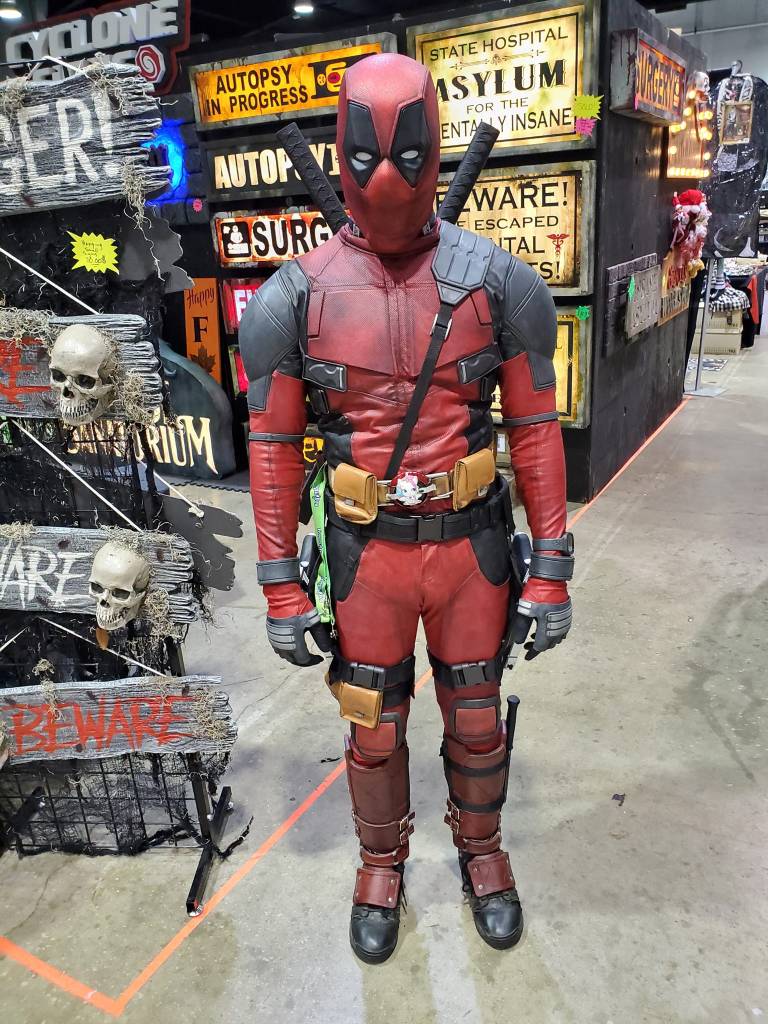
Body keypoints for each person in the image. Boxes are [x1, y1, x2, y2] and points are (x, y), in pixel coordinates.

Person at [239, 52, 573, 964]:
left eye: (408, 153)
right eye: (367, 154)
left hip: (470, 552)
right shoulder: (294, 297)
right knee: (373, 726)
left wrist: (551, 567)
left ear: (435, 148)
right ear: (339, 152)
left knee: (476, 715)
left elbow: (536, 430)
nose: (387, 176)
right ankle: (379, 865)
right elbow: (271, 447)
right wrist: (280, 584)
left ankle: (483, 852)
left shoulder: (498, 283)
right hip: (368, 557)